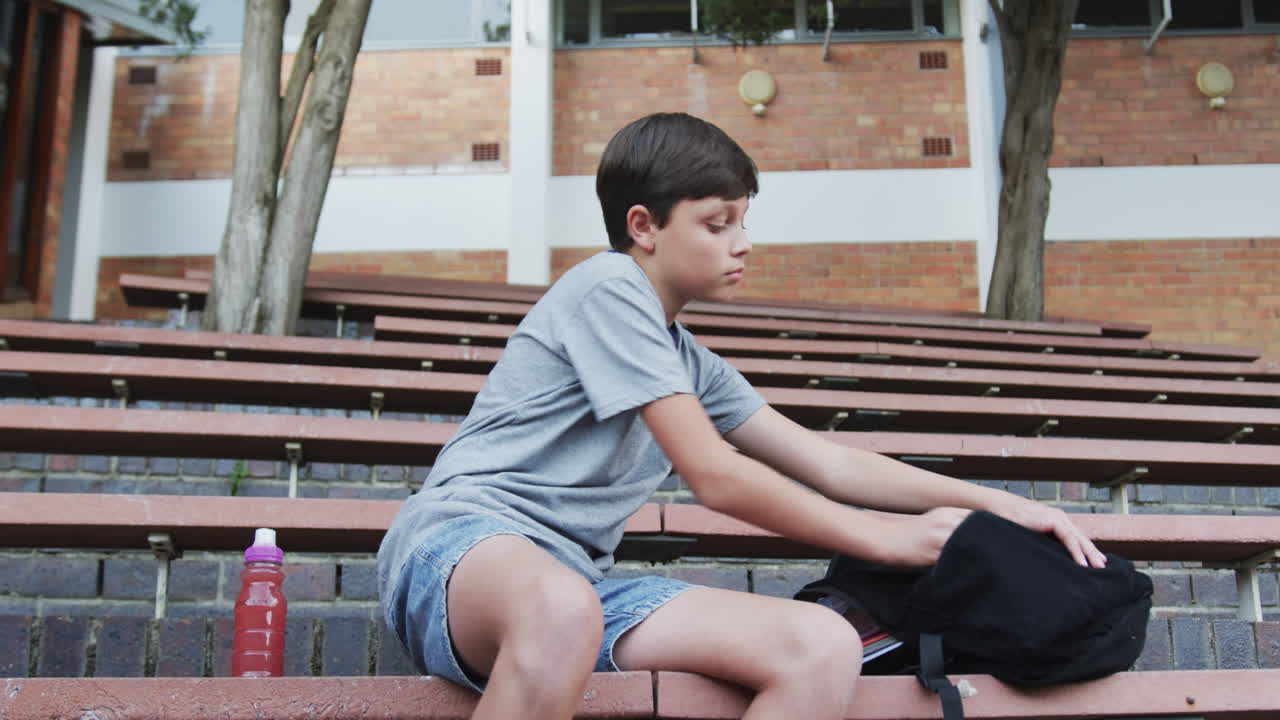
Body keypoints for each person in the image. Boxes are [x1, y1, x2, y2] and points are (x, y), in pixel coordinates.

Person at [377, 112, 1107, 720]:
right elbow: (717, 476)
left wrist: (1003, 506)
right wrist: (888, 541)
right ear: (645, 226)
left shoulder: (688, 360)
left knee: (822, 645)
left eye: (744, 221)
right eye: (718, 222)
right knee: (561, 610)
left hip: (577, 586)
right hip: (459, 552)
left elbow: (829, 462)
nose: (743, 243)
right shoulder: (607, 287)